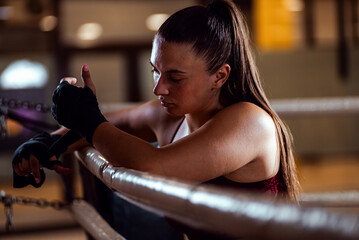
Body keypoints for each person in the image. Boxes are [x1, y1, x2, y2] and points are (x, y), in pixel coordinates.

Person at [12, 0, 300, 238]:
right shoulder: (169, 117)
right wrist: (48, 142)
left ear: (220, 76)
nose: (158, 88)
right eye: (155, 71)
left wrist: (85, 120)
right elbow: (104, 126)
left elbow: (154, 167)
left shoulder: (250, 122)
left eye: (175, 77)